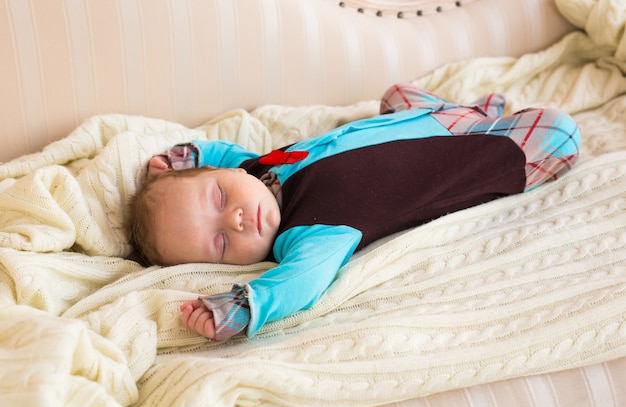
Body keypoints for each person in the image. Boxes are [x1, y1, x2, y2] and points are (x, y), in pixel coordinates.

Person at [126, 83, 580, 342]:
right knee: (562, 133)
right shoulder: (312, 233)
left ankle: (467, 107)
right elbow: (302, 282)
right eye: (222, 243)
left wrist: (191, 153)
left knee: (395, 94)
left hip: (422, 120)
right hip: (475, 153)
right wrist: (249, 305)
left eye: (220, 199)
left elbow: (226, 155)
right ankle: (487, 117)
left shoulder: (257, 168)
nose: (237, 219)